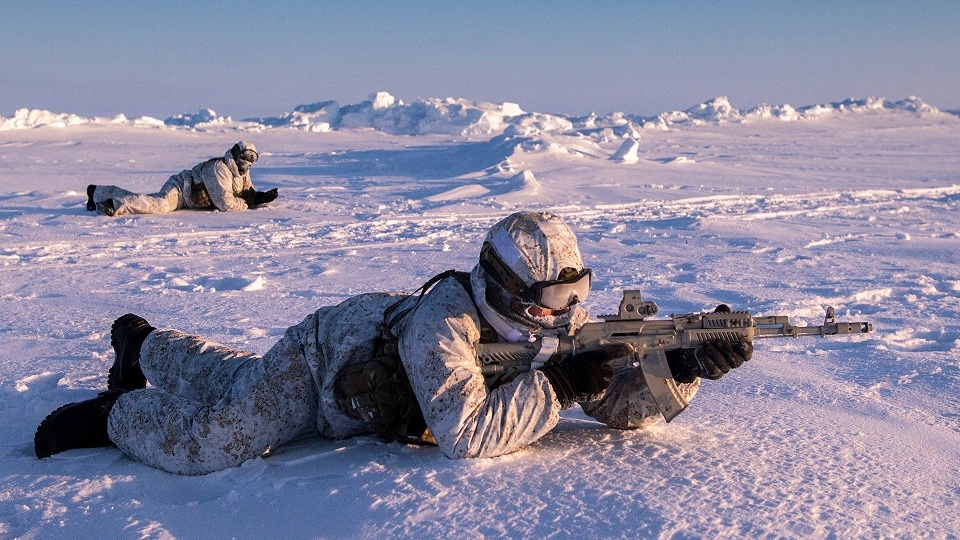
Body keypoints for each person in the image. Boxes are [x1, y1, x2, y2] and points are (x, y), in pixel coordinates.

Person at [34, 211, 752, 475]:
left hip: (352, 393)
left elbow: (614, 407)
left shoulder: (547, 326)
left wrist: (679, 369)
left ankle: (143, 343)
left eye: (577, 297)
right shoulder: (447, 322)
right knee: (219, 439)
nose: (567, 316)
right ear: (504, 293)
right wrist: (561, 386)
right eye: (554, 302)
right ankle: (114, 415)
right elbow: (466, 434)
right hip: (321, 364)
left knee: (229, 381)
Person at [86, 141, 278, 216]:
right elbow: (225, 204)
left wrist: (259, 197)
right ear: (236, 155)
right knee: (160, 205)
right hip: (181, 189)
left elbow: (247, 192)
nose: (248, 163)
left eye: (252, 159)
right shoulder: (219, 169)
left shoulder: (241, 172)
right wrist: (247, 204)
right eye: (246, 157)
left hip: (190, 199)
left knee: (148, 200)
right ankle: (113, 204)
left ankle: (97, 193)